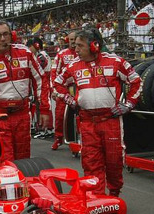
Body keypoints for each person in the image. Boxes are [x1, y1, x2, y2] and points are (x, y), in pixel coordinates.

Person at [53, 29, 141, 197]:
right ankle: (96, 198)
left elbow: (136, 81)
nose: (75, 49)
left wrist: (128, 104)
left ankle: (114, 194)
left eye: (80, 46)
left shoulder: (116, 62)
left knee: (114, 161)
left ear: (94, 46)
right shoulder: (73, 66)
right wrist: (70, 100)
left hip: (111, 120)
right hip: (87, 121)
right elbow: (57, 84)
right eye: (75, 45)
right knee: (91, 162)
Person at [0, 20, 50, 162]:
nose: (2, 39)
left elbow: (41, 81)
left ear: (12, 35)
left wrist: (44, 110)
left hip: (22, 115)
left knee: (23, 158)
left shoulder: (25, 53)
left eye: (5, 34)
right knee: (6, 160)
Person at [50, 30, 77, 150]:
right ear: (67, 41)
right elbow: (54, 73)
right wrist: (54, 90)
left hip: (79, 89)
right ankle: (58, 139)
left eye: (75, 40)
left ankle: (78, 138)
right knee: (60, 115)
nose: (73, 42)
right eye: (71, 40)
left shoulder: (83, 53)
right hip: (64, 89)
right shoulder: (62, 54)